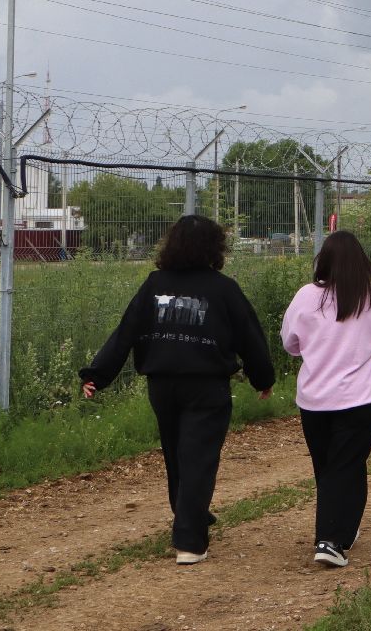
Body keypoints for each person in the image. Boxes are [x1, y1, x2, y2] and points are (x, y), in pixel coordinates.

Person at [80, 215, 276, 565]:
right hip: (206, 387)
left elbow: (125, 332)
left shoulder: (155, 285)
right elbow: (250, 337)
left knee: (177, 456)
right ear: (216, 248)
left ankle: (190, 514)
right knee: (198, 459)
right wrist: (263, 378)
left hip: (162, 386)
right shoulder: (223, 289)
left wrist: (98, 374)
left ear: (171, 245)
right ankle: (189, 541)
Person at [280, 230, 371, 568]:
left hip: (313, 400)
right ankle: (330, 539)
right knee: (347, 466)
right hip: (358, 400)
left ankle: (343, 532)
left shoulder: (306, 296)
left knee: (329, 467)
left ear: (323, 261)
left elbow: (289, 343)